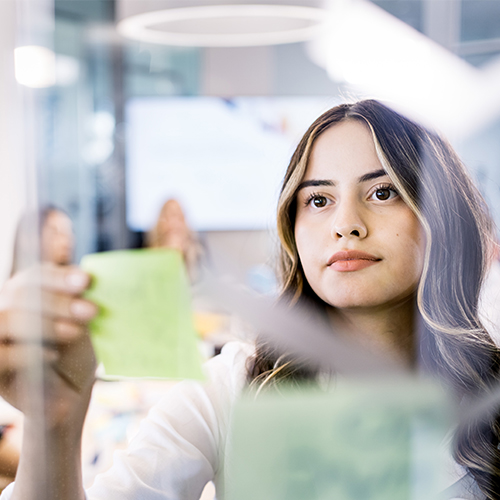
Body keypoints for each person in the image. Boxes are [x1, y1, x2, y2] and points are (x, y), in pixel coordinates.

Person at [0, 100, 499, 499]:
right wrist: (54, 427)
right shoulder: (232, 389)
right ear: (293, 227)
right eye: (318, 200)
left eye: (383, 191)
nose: (346, 224)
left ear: (443, 217)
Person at [147, 199, 203, 281]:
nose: (172, 223)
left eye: (177, 217)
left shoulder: (196, 255)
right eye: (166, 217)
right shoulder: (149, 257)